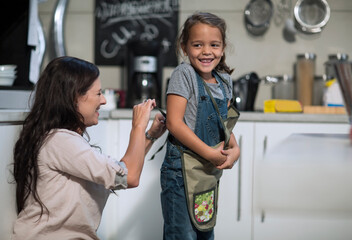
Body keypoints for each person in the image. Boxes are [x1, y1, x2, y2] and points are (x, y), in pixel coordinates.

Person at [12, 56, 166, 240]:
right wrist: (138, 126)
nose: (103, 101)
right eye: (98, 93)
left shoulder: (62, 140)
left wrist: (149, 136)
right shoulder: (60, 141)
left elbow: (120, 172)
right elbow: (129, 176)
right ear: (74, 97)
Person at [160, 12, 240, 239]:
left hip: (206, 172)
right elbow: (175, 124)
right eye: (197, 45)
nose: (206, 51)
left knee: (204, 232)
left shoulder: (225, 81)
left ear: (223, 48)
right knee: (182, 234)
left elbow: (223, 123)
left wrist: (235, 149)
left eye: (214, 45)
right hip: (179, 173)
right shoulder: (183, 74)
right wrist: (209, 153)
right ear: (184, 47)